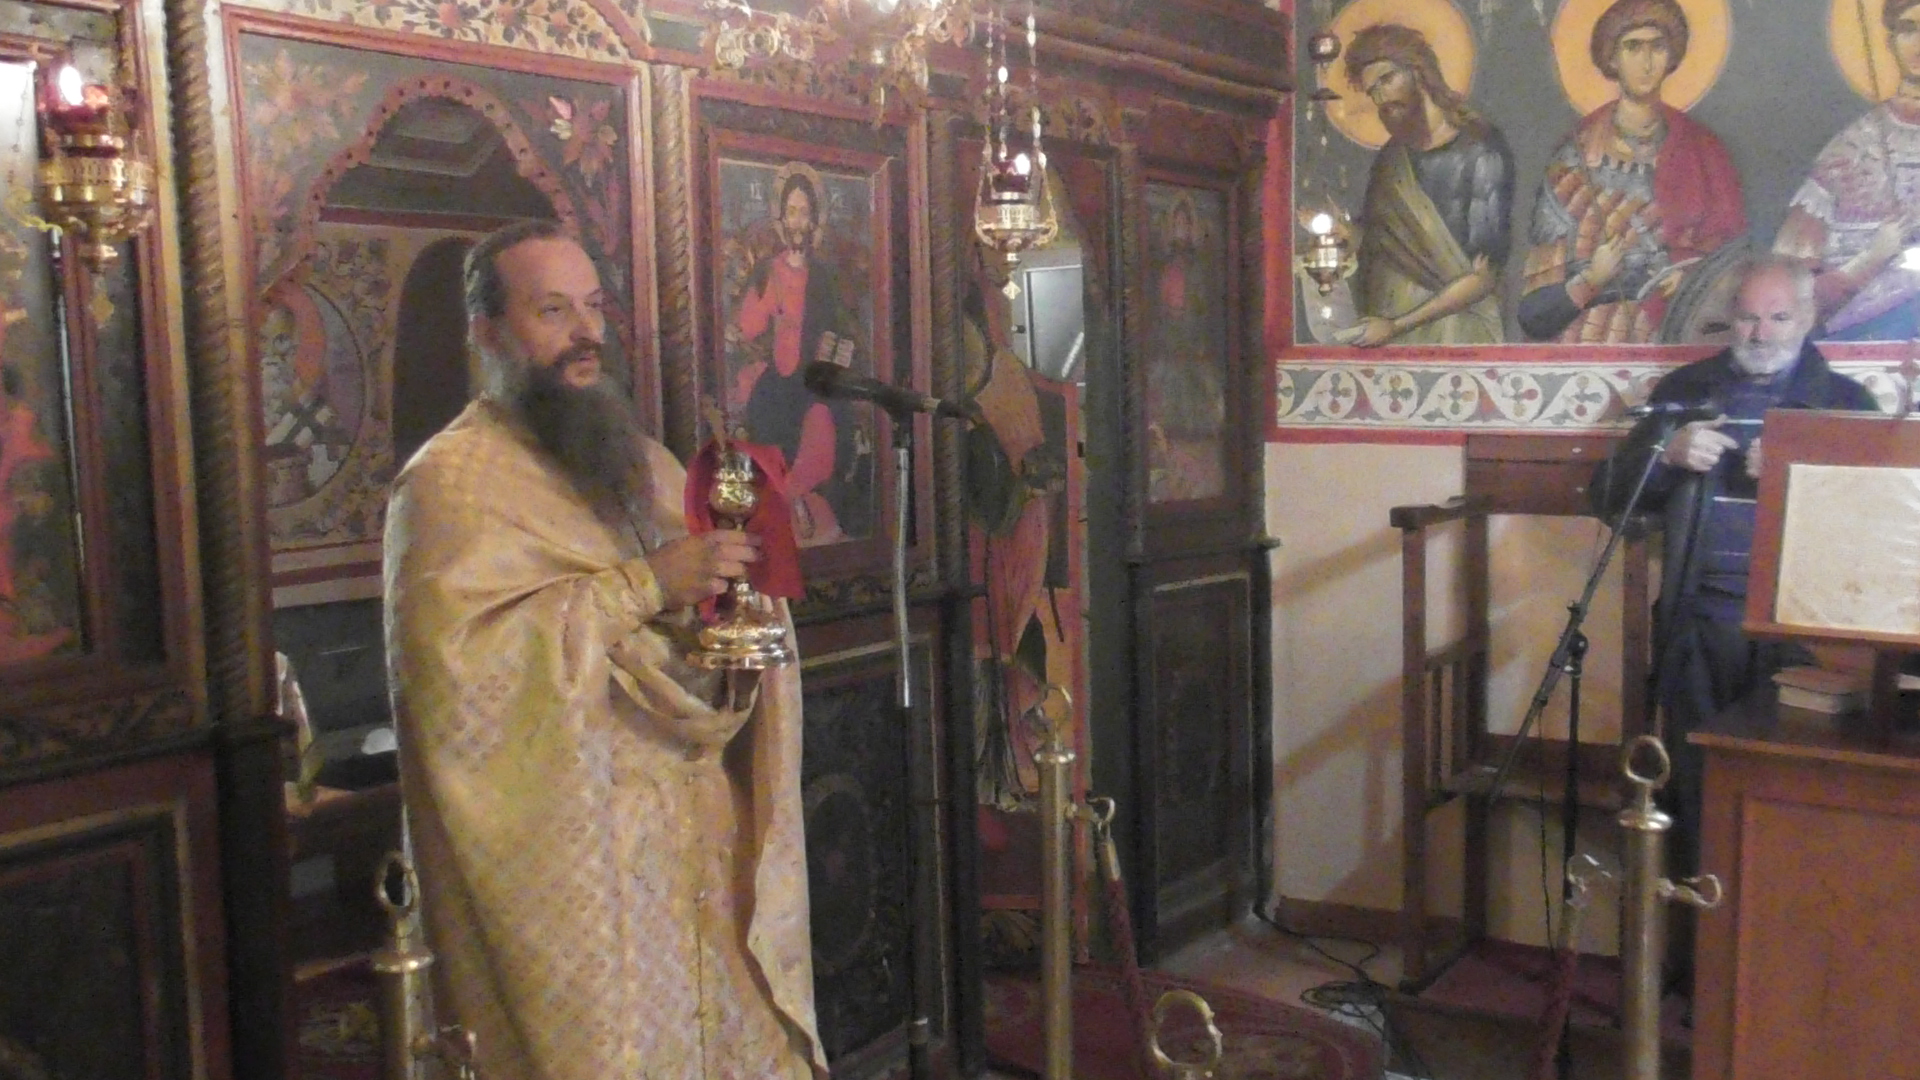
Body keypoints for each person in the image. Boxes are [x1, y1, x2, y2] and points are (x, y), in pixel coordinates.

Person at [383, 219, 826, 1080]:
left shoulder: (645, 462)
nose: (586, 333)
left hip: (703, 838)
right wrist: (647, 585)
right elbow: (461, 690)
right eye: (552, 311)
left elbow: (700, 619)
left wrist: (736, 599)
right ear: (487, 332)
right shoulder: (447, 484)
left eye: (592, 306)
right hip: (585, 860)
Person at [1590, 257, 1877, 891]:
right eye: (1748, 317)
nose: (1760, 333)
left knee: (1788, 797)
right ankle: (1698, 947)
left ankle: (1766, 947)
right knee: (1695, 791)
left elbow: (1877, 533)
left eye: (1778, 317)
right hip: (1698, 622)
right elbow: (1607, 495)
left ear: (1807, 318)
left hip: (1804, 637)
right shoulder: (1686, 390)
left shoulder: (1845, 402)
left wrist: (1797, 472)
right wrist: (1666, 454)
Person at [1519, 0, 1746, 344]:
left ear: (1672, 56)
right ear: (1612, 58)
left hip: (1679, 334)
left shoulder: (1704, 152)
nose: (1646, 62)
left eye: (1657, 47)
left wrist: (1693, 279)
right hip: (1588, 346)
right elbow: (1533, 313)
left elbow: (1736, 264)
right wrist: (1592, 280)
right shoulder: (1575, 160)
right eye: (1633, 47)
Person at [1340, 22, 1514, 347]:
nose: (1381, 97)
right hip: (1385, 324)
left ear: (1418, 72)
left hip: (1458, 331)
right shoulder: (1392, 158)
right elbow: (1380, 241)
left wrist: (1396, 326)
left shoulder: (1480, 149)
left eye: (1386, 80)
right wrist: (1347, 235)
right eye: (1372, 91)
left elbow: (1483, 276)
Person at [729, 169, 866, 545]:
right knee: (766, 420)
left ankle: (803, 502)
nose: (797, 222)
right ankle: (788, 505)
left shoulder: (824, 274)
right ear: (781, 218)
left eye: (804, 213)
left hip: (816, 379)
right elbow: (748, 326)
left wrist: (837, 349)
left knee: (826, 426)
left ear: (814, 219)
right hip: (778, 380)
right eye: (791, 212)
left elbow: (843, 327)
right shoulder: (768, 271)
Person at [1772, 0, 1920, 340]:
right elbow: (1787, 291)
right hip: (1862, 340)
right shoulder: (1849, 150)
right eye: (1908, 29)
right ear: (1890, 42)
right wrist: (1871, 258)